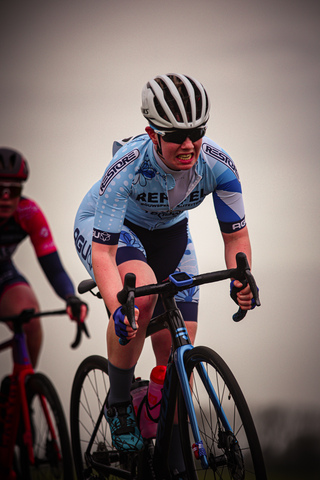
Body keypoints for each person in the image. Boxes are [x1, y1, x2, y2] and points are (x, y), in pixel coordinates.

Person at [74, 73, 256, 477]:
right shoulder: (127, 167)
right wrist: (117, 305)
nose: (189, 144)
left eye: (197, 132)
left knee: (178, 347)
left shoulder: (218, 166)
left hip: (170, 235)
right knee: (139, 298)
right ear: (152, 134)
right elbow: (104, 253)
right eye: (176, 135)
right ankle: (120, 405)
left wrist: (241, 277)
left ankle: (170, 454)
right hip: (111, 231)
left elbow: (236, 236)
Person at [0, 147, 88, 367]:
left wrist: (70, 297)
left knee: (30, 319)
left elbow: (54, 267)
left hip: (3, 271)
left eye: (14, 189)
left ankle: (23, 388)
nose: (6, 197)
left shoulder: (28, 212)